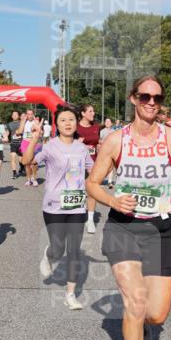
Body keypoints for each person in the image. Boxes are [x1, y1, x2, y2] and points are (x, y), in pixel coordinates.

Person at [86, 74, 171, 340]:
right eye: (145, 96)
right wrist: (112, 200)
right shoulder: (116, 141)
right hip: (123, 227)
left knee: (156, 314)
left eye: (157, 98)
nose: (151, 103)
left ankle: (145, 325)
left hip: (160, 231)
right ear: (133, 99)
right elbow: (92, 184)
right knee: (135, 302)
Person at [23, 105, 93, 310]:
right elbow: (27, 161)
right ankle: (49, 254)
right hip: (54, 206)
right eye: (63, 120)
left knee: (74, 251)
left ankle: (70, 294)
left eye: (71, 119)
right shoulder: (51, 146)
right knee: (58, 247)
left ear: (76, 122)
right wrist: (35, 138)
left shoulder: (82, 148)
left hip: (77, 206)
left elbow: (94, 170)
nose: (68, 123)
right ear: (57, 125)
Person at [75, 104, 102, 234]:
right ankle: (77, 217)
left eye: (93, 110)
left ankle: (90, 220)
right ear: (83, 113)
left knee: (92, 191)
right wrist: (77, 143)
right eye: (90, 111)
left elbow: (97, 143)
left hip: (93, 163)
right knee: (77, 190)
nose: (93, 113)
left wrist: (99, 146)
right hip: (76, 164)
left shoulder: (96, 126)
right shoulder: (75, 126)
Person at [18, 109, 41, 186]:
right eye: (28, 114)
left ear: (33, 114)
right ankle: (28, 179)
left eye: (31, 114)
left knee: (34, 163)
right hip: (25, 143)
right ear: (26, 115)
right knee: (27, 163)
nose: (30, 116)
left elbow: (40, 133)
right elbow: (20, 131)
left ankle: (34, 179)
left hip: (34, 143)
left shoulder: (36, 122)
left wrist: (36, 127)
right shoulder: (23, 122)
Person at [99, 117, 115, 189]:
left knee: (110, 167)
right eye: (106, 121)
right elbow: (99, 140)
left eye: (109, 121)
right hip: (103, 151)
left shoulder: (114, 131)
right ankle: (100, 180)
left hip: (112, 151)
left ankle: (110, 182)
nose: (107, 123)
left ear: (111, 123)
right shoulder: (102, 131)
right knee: (103, 167)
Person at [7, 110, 23, 179]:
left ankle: (22, 167)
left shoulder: (21, 123)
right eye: (13, 114)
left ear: (18, 116)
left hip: (21, 143)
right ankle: (14, 173)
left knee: (21, 159)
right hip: (13, 143)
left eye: (16, 114)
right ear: (11, 116)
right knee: (13, 158)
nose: (14, 116)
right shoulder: (9, 124)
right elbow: (7, 133)